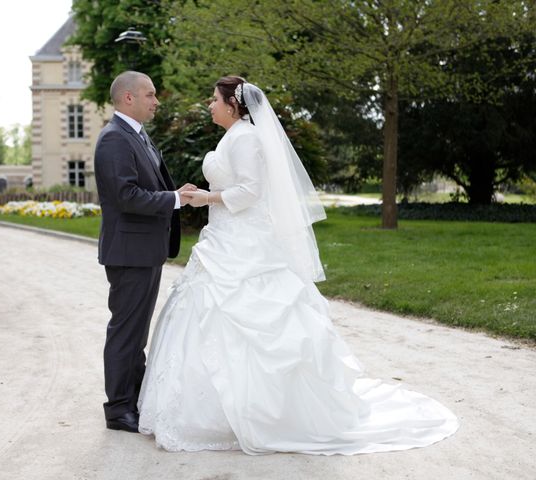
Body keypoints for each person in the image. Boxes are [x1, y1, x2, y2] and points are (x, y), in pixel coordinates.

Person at [137, 76, 459, 455]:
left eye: (214, 99)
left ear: (232, 105)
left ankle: (258, 414)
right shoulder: (233, 136)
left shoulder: (246, 138)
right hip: (225, 238)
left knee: (247, 316)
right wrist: (205, 196)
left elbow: (250, 192)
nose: (209, 105)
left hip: (243, 243)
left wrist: (203, 197)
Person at [94, 71, 196, 433]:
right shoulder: (113, 140)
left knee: (137, 333)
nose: (156, 101)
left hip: (144, 251)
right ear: (128, 98)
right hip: (129, 252)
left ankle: (133, 398)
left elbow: (146, 184)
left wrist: (173, 192)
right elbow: (126, 197)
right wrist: (173, 200)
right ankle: (118, 409)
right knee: (126, 332)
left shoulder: (137, 136)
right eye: (150, 94)